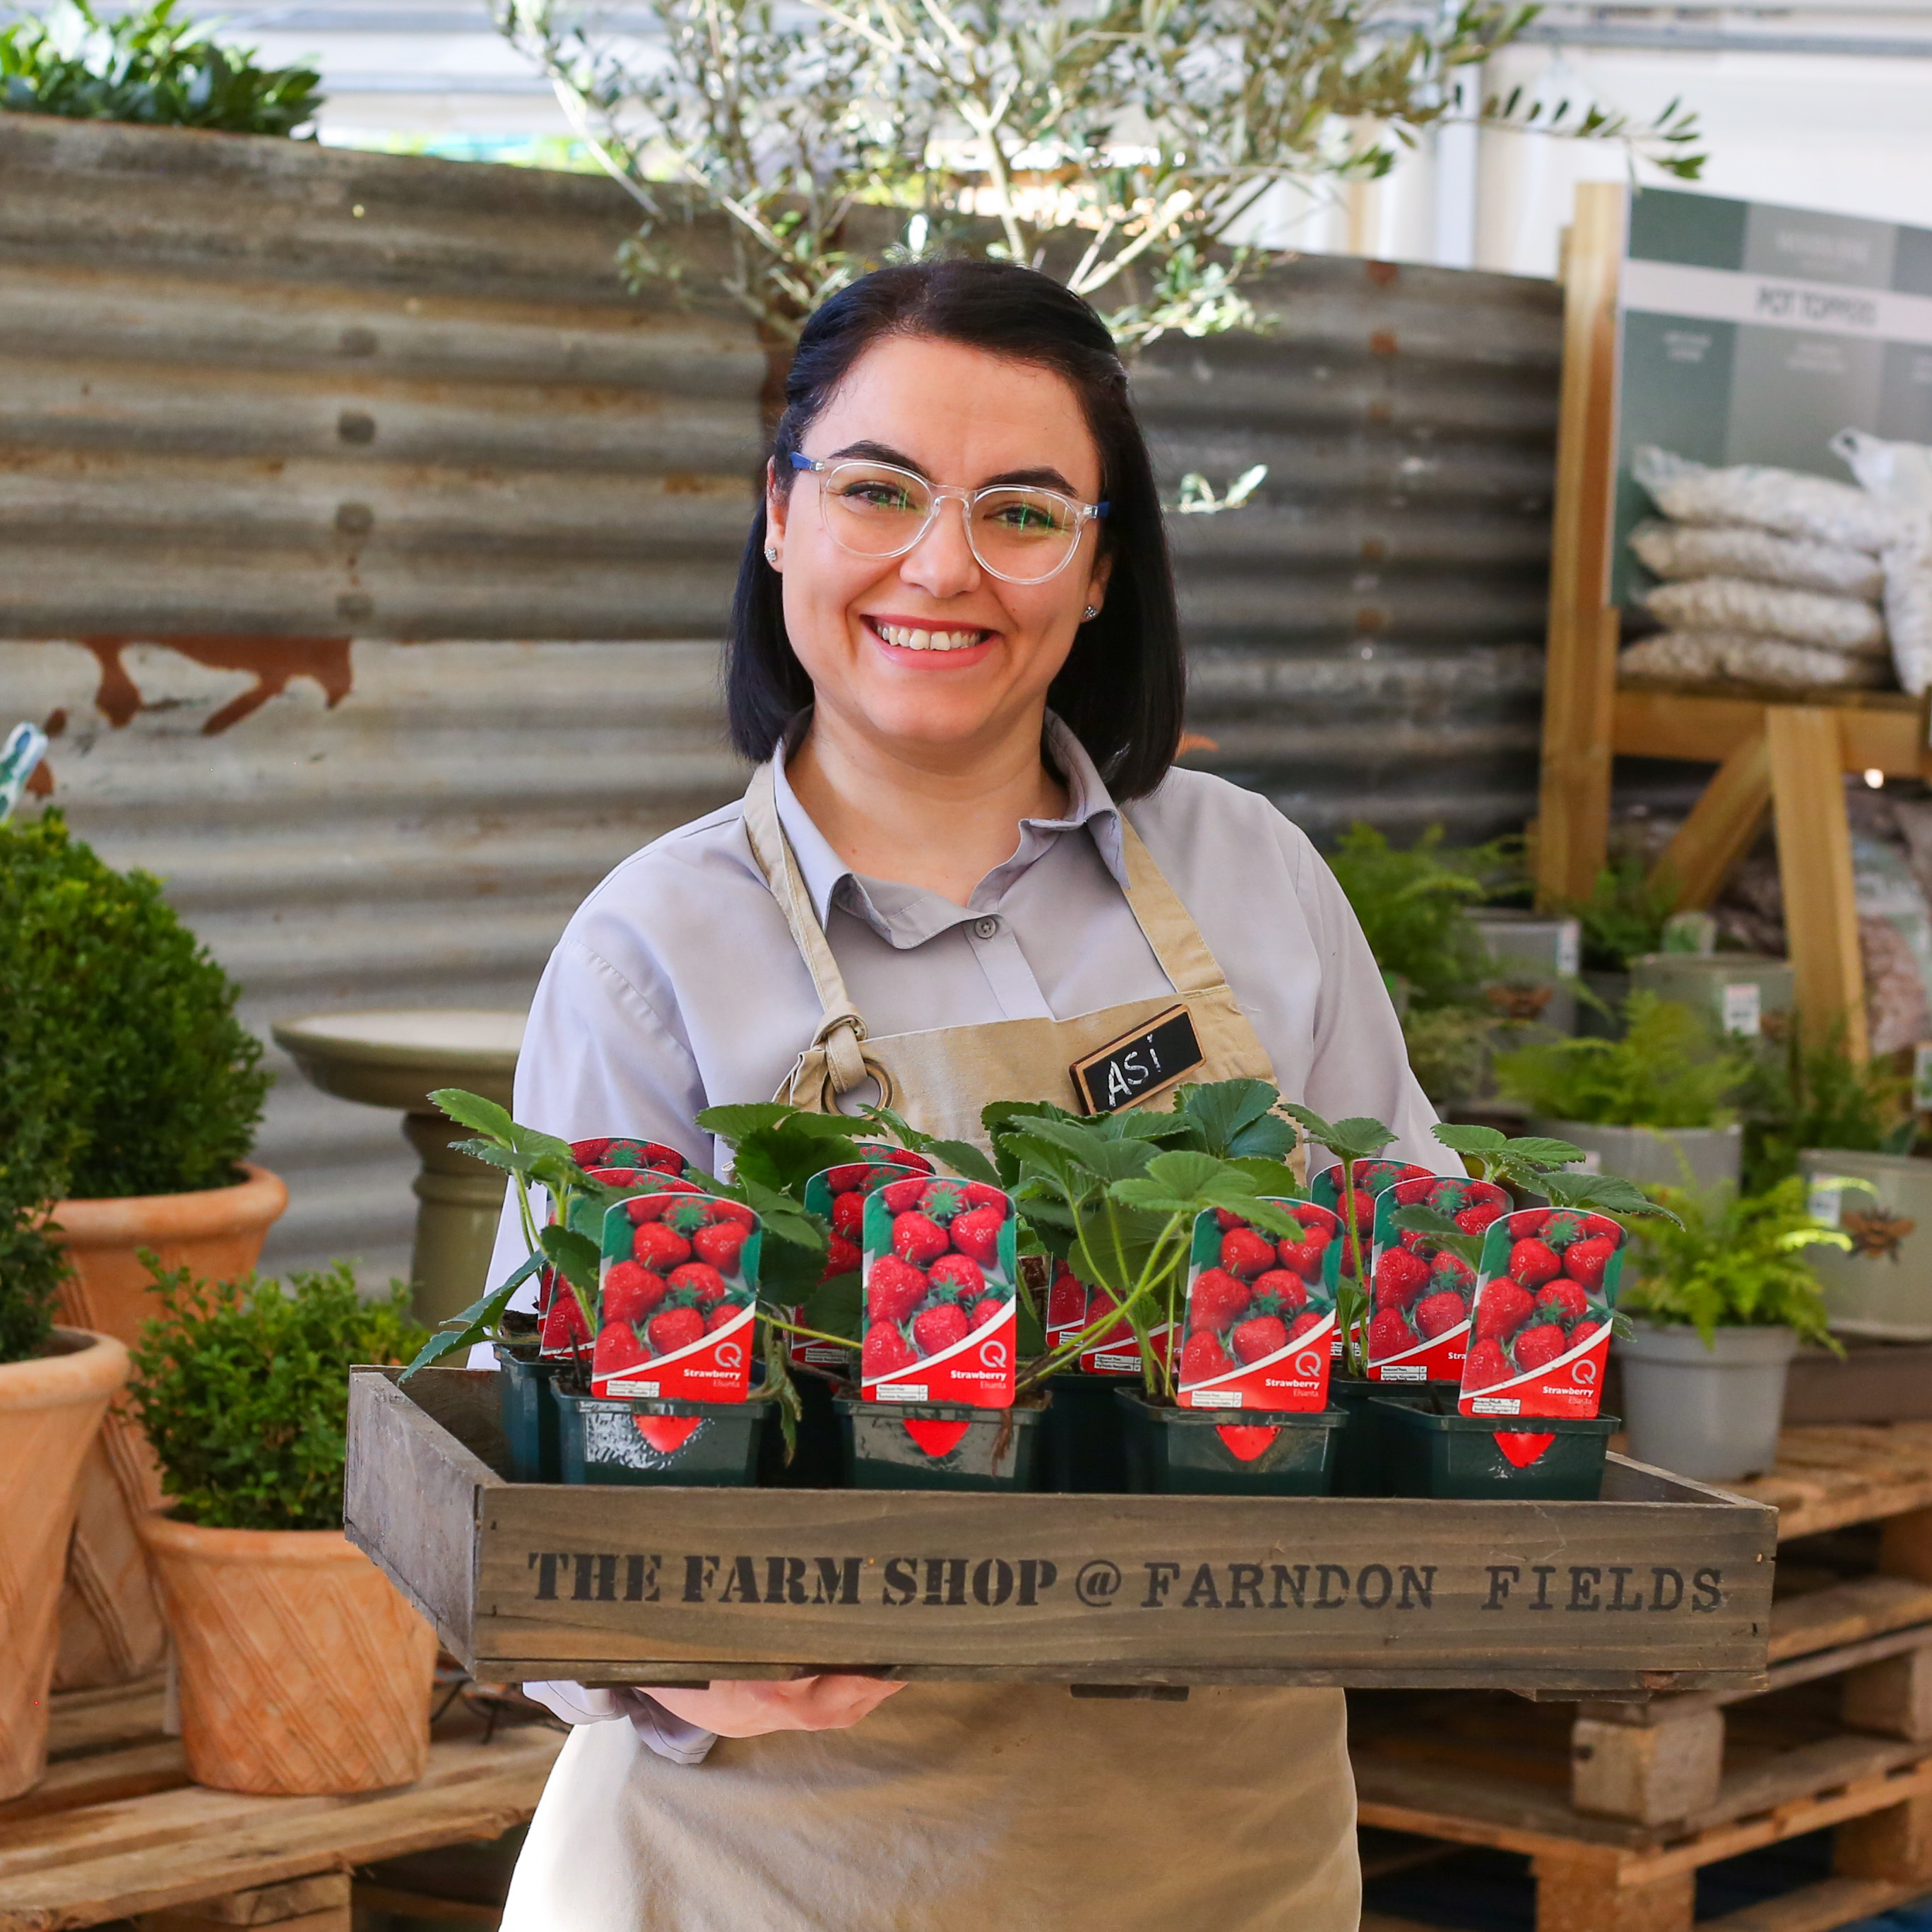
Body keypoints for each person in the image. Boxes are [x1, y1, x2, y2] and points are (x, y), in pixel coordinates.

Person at [492, 258, 1458, 1931]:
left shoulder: (1250, 873)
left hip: (1222, 1852)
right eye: (878, 490)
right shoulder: (655, 946)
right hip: (782, 1866)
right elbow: (550, 1474)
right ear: (780, 515)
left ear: (1099, 573)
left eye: (1024, 511)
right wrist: (686, 1672)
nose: (942, 565)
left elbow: (1422, 1263)